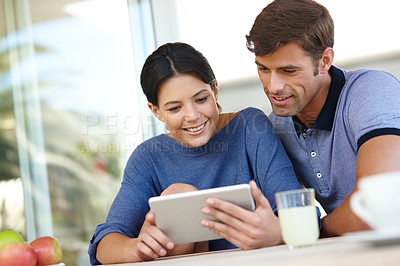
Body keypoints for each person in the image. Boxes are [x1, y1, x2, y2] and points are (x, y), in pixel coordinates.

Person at [88, 42, 303, 265]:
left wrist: (277, 232)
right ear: (156, 111)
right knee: (178, 193)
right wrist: (137, 249)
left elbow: (298, 213)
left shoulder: (250, 127)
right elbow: (106, 244)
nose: (192, 116)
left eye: (201, 99)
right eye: (174, 108)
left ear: (215, 91)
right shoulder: (148, 158)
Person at [241, 0, 400, 237]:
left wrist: (308, 231)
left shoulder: (372, 91)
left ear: (324, 61)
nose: (273, 87)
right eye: (263, 69)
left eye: (288, 71)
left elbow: (377, 206)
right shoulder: (276, 125)